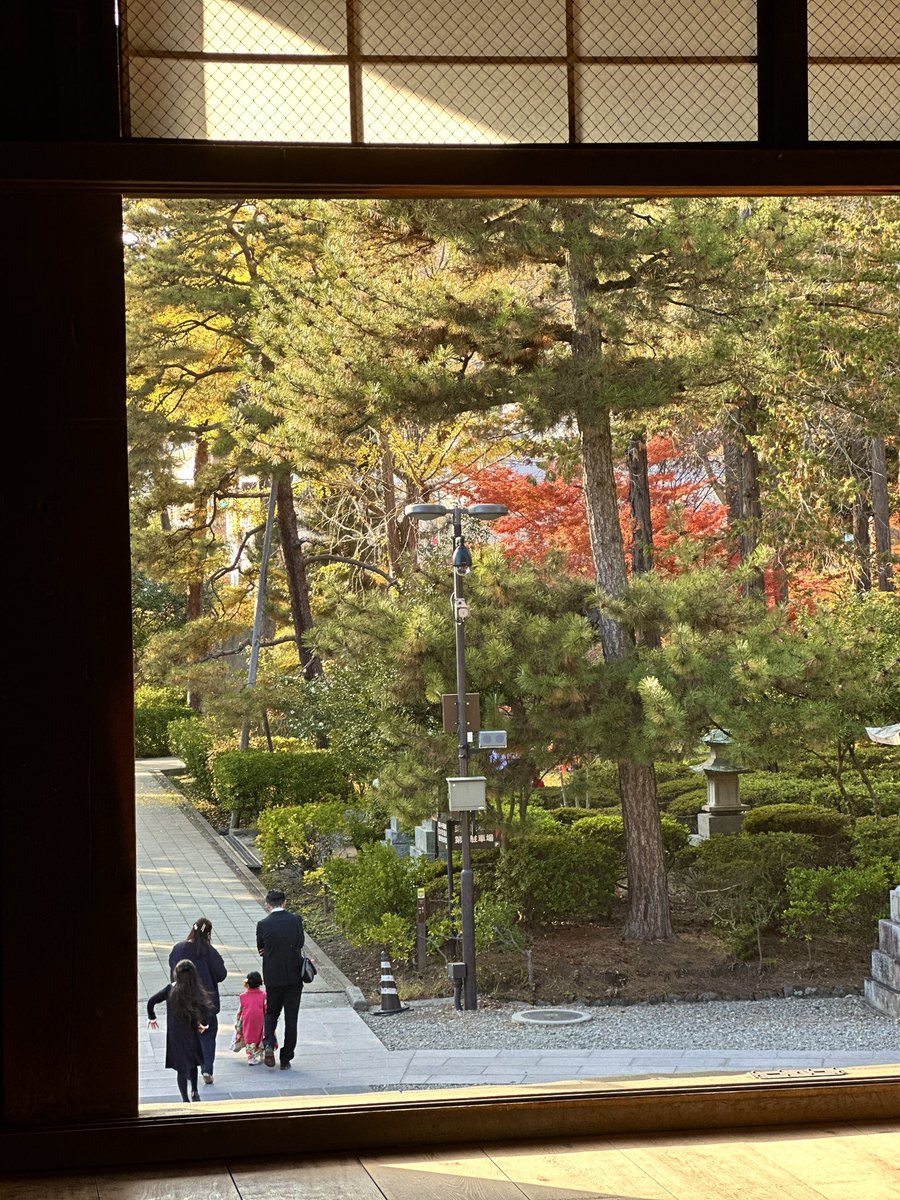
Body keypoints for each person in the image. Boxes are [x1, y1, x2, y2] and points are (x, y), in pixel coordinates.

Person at [168, 916, 227, 1085]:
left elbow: (173, 970)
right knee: (208, 1034)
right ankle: (207, 1068)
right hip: (206, 1001)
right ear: (208, 933)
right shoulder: (210, 951)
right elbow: (221, 974)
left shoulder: (178, 948)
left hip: (183, 999)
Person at [147, 959, 212, 1103]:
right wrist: (204, 1024)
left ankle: (185, 1099)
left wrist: (152, 1017)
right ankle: (195, 1091)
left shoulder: (170, 989)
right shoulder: (195, 990)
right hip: (191, 1033)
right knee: (193, 1063)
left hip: (175, 1035)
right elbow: (205, 1009)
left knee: (181, 1069)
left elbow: (151, 1001)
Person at [256, 887, 305, 1070]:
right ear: (284, 902)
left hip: (272, 976)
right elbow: (300, 943)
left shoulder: (263, 924)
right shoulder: (295, 920)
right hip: (293, 975)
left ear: (268, 905)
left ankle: (269, 1044)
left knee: (271, 1013)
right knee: (291, 1017)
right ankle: (286, 1057)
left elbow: (261, 949)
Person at [239, 970, 267, 1065]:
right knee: (261, 1035)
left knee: (250, 1037)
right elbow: (266, 1008)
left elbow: (240, 1010)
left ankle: (251, 1056)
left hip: (247, 1020)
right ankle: (262, 1053)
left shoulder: (243, 996)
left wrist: (238, 1022)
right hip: (260, 1019)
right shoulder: (263, 995)